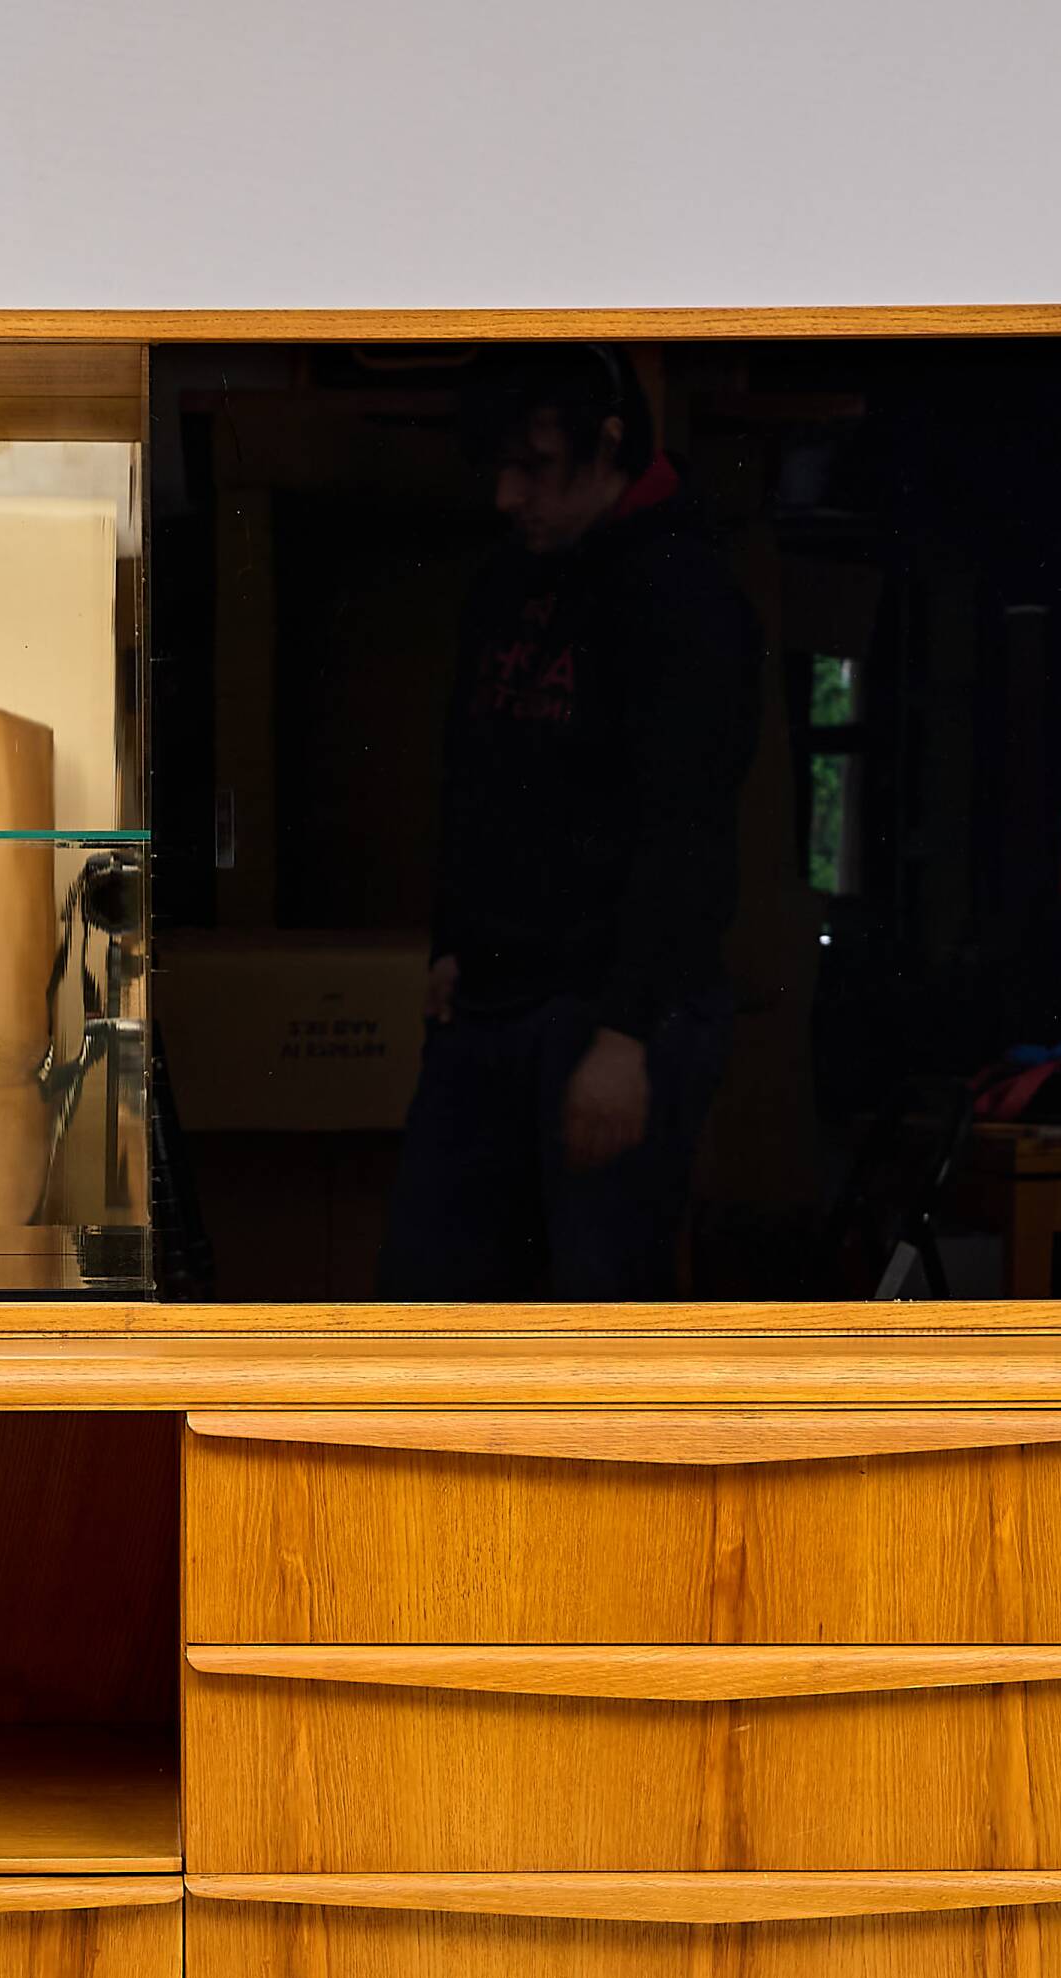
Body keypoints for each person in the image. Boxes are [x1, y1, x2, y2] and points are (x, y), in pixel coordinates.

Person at [378, 346, 762, 1298]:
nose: (510, 496)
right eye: (499, 468)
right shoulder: (509, 580)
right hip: (494, 995)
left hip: (617, 1012)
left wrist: (627, 1038)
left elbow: (689, 828)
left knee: (595, 1308)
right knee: (429, 1291)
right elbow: (471, 775)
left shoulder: (688, 595)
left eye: (536, 468)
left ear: (611, 446)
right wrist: (450, 944)